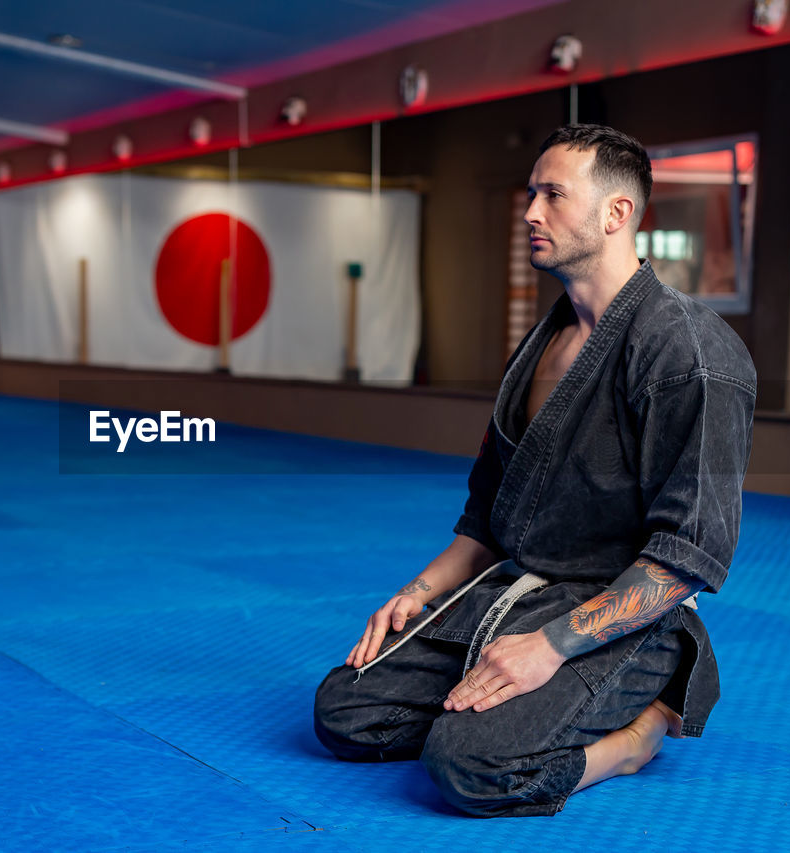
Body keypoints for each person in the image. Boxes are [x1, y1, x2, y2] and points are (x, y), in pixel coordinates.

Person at [313, 124, 757, 817]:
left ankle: (632, 739)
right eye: (530, 193)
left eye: (553, 194)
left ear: (617, 214)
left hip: (619, 616)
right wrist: (417, 592)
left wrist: (548, 649)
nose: (530, 212)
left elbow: (684, 559)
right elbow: (485, 517)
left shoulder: (690, 353)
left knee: (468, 762)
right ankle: (514, 708)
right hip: (513, 591)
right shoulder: (544, 340)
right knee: (347, 709)